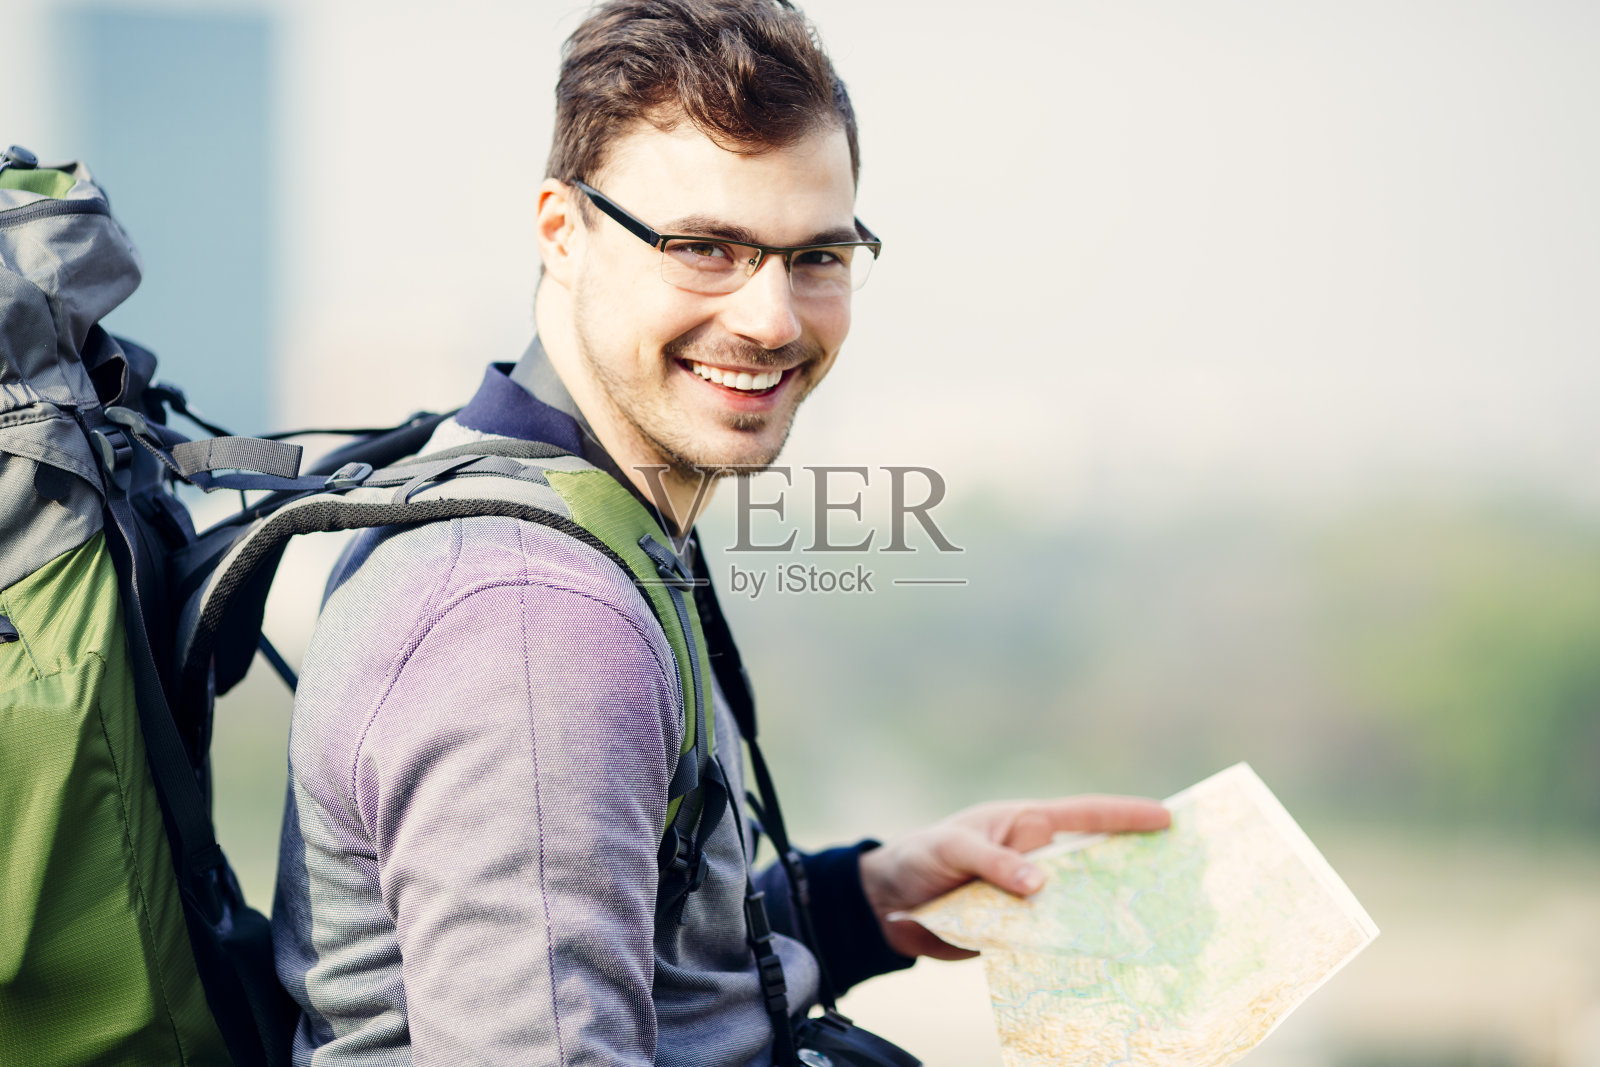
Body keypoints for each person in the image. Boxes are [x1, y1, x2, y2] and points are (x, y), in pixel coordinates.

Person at [271, 1, 1171, 1063]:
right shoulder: (532, 623)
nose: (772, 318)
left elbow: (645, 955)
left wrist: (859, 897)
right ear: (564, 232)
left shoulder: (567, 512)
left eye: (817, 257)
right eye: (705, 247)